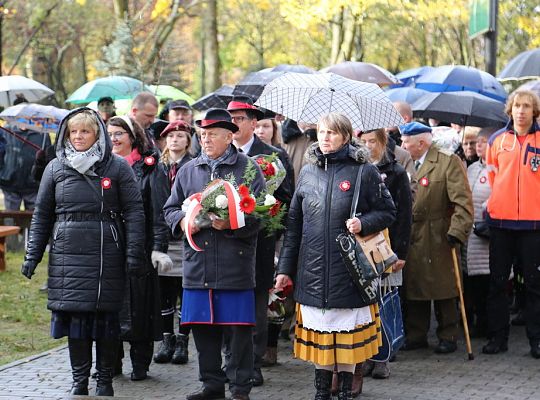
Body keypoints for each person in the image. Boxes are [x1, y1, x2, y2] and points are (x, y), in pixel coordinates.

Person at [21, 108, 145, 396]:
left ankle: (104, 379)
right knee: (76, 321)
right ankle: (79, 379)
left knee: (105, 322)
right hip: (68, 255)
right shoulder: (55, 168)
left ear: (97, 134)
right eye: (73, 131)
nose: (78, 136)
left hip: (107, 253)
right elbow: (42, 215)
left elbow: (135, 211)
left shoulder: (116, 167)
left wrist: (133, 253)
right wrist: (32, 256)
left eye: (85, 131)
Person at [275, 113, 396, 400]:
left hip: (349, 272)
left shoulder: (363, 171)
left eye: (332, 133)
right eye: (321, 132)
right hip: (313, 271)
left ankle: (343, 393)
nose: (325, 138)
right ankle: (321, 393)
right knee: (322, 340)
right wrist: (284, 269)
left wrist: (364, 223)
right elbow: (294, 226)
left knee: (345, 342)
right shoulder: (307, 171)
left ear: (345, 136)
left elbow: (388, 211)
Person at [164, 108, 265, 400]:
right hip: (198, 266)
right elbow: (170, 208)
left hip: (235, 264)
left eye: (212, 135)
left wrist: (233, 225)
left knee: (239, 333)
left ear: (229, 136)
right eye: (203, 135)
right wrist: (183, 222)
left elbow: (262, 215)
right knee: (203, 330)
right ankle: (211, 385)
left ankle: (240, 387)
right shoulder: (188, 170)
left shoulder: (248, 169)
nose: (206, 140)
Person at [227, 96, 294, 386]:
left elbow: (287, 198)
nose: (234, 124)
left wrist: (265, 205)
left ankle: (253, 363)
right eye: (231, 119)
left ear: (255, 124)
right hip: (226, 242)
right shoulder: (221, 152)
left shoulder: (274, 155)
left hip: (261, 240)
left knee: (256, 303)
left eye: (240, 119)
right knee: (228, 302)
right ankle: (229, 360)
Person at [400, 121, 473, 354]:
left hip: (440, 234)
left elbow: (463, 201)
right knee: (415, 284)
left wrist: (457, 232)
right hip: (413, 233)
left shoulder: (446, 161)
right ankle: (416, 333)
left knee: (444, 287)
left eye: (406, 141)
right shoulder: (406, 163)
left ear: (421, 143)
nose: (402, 145)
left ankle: (448, 334)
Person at [107, 115, 169, 380]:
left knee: (140, 308)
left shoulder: (149, 167)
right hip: (109, 249)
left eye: (119, 133)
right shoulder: (101, 166)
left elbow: (159, 210)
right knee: (111, 307)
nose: (114, 139)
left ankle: (140, 363)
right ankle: (112, 362)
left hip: (141, 249)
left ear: (133, 136)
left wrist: (158, 247)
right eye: (109, 134)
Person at [483, 90, 540, 358]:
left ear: (534, 111)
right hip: (501, 224)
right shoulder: (496, 141)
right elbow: (492, 179)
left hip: (533, 226)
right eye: (517, 106)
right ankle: (498, 337)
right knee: (497, 283)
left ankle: (536, 340)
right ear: (510, 109)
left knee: (533, 284)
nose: (521, 111)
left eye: (526, 106)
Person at [358, 128, 412, 380]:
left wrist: (400, 251)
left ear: (383, 143)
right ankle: (365, 356)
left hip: (386, 245)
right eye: (364, 141)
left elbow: (403, 215)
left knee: (386, 301)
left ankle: (383, 356)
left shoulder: (397, 172)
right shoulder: (356, 168)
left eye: (373, 141)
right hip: (361, 242)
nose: (368, 146)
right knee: (366, 303)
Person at [154, 120, 194, 365]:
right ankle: (166, 338)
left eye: (180, 136)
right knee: (163, 292)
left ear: (188, 141)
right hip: (161, 237)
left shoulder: (193, 166)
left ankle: (182, 341)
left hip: (184, 236)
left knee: (184, 291)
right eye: (170, 136)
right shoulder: (157, 167)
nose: (175, 140)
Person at [464, 126, 497, 339]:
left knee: (487, 283)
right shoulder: (472, 168)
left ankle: (488, 324)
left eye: (483, 142)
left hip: (486, 232)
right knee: (473, 284)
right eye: (477, 142)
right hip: (470, 233)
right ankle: (476, 320)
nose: (478, 146)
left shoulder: (498, 168)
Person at [0, 124, 51, 210]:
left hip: (33, 185)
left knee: (32, 218)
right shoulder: (6, 130)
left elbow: (48, 160)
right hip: (10, 183)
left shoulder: (43, 134)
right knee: (10, 218)